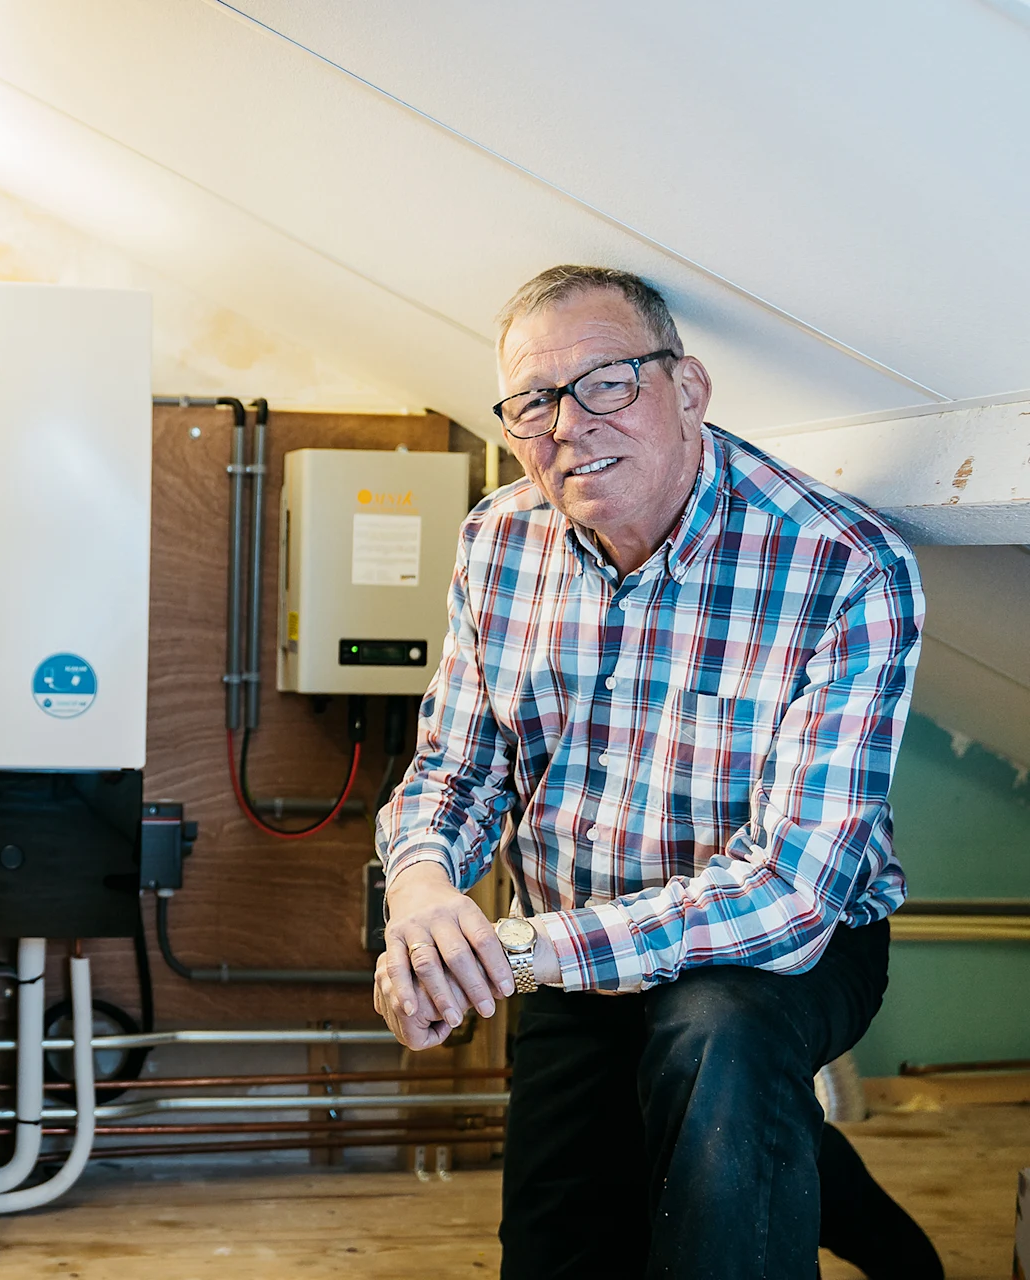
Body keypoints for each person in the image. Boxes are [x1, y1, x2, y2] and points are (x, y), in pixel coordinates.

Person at [372, 265, 931, 1279]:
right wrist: (418, 896)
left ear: (689, 389)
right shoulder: (497, 539)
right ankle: (862, 1218)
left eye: (608, 383)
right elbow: (457, 766)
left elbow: (790, 892)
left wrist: (513, 950)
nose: (569, 424)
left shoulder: (844, 564)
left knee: (712, 1033)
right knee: (561, 1252)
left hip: (780, 949)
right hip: (571, 951)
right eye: (532, 401)